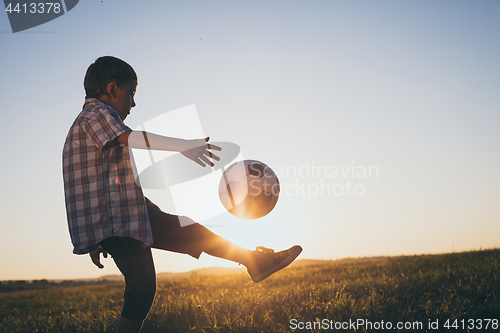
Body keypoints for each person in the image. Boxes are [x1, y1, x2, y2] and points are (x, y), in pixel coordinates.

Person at [62, 56, 302, 333]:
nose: (134, 103)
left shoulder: (84, 125)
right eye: (132, 94)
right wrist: (183, 145)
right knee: (142, 286)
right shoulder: (96, 114)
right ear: (113, 89)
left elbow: (83, 183)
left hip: (128, 212)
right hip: (118, 220)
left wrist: (95, 238)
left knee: (190, 234)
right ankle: (255, 261)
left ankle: (255, 262)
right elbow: (131, 137)